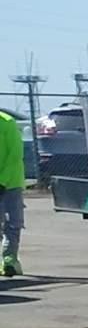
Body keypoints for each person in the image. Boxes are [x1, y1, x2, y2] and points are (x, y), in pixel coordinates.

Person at [0, 103, 23, 277]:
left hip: (10, 183)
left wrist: (2, 182)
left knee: (11, 224)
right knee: (9, 224)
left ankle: (9, 261)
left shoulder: (7, 122)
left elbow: (14, 156)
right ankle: (8, 259)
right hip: (8, 182)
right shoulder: (7, 122)